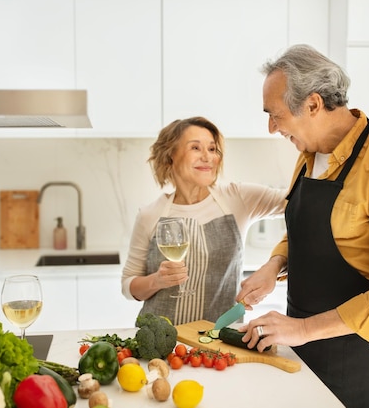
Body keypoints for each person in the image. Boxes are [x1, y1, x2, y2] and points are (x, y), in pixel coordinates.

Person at [236, 44, 369, 408]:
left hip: (363, 368)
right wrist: (274, 264)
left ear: (313, 105)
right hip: (304, 356)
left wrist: (303, 329)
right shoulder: (308, 156)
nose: (271, 128)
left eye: (275, 115)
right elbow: (310, 230)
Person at [121, 116, 287, 326]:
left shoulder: (237, 198)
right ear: (170, 155)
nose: (207, 157)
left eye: (212, 149)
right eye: (196, 148)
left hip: (218, 344)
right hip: (159, 342)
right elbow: (128, 285)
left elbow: (297, 202)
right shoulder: (150, 214)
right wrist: (157, 281)